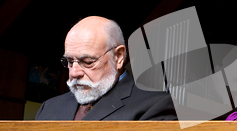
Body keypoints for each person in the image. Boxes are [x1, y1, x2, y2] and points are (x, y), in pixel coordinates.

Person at [36, 16, 178, 121]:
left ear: (118, 57)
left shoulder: (155, 106)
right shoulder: (48, 107)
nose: (74, 72)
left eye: (87, 61)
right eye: (69, 61)